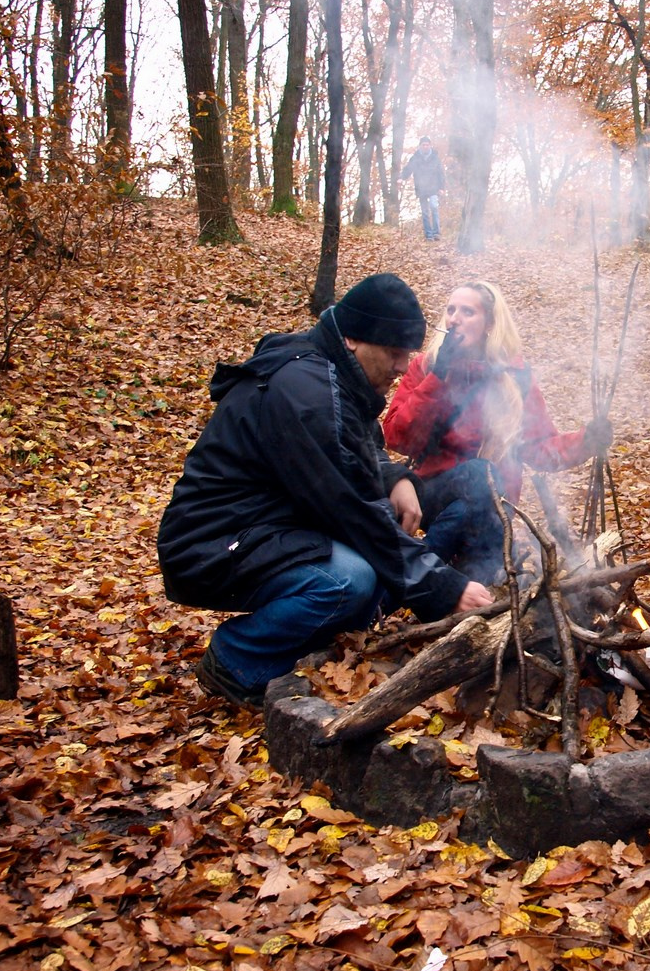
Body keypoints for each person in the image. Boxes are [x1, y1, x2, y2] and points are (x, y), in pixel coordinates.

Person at [158, 273, 495, 707]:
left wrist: (397, 479)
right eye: (394, 353)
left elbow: (358, 453)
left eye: (406, 354)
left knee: (376, 559)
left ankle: (306, 642)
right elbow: (350, 510)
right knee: (348, 580)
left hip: (267, 525)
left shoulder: (334, 374)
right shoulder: (304, 389)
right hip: (211, 540)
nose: (400, 367)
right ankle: (236, 658)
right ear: (354, 339)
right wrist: (444, 587)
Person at [382, 280, 613, 582]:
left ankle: (460, 584)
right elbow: (397, 435)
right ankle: (416, 577)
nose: (455, 319)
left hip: (492, 509)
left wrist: (586, 441)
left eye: (468, 312)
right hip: (433, 492)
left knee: (483, 495)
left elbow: (540, 448)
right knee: (482, 474)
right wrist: (438, 378)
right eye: (451, 310)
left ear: (490, 323)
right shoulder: (429, 367)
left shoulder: (514, 376)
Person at [401, 136, 445, 240]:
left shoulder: (435, 158)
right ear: (420, 146)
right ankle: (428, 235)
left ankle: (436, 233)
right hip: (421, 188)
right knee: (425, 212)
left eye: (427, 145)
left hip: (433, 187)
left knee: (434, 206)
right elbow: (408, 169)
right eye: (423, 145)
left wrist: (442, 187)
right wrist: (401, 178)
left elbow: (441, 173)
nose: (425, 146)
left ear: (430, 145)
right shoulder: (415, 158)